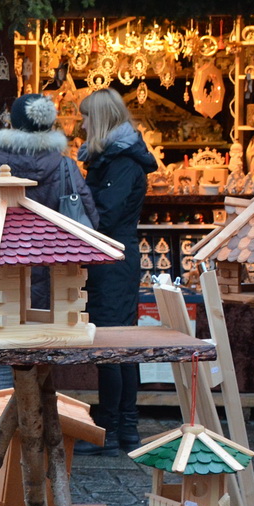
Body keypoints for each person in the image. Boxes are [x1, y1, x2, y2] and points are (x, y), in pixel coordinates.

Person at [0, 94, 99, 395]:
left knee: (2, 353)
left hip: (1, 271)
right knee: (44, 354)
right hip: (54, 273)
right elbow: (90, 217)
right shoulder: (65, 166)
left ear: (13, 122)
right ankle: (40, 420)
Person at [78, 88, 159, 453]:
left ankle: (112, 430)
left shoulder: (121, 162)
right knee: (120, 345)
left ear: (99, 120)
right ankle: (124, 428)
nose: (82, 126)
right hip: (115, 259)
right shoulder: (117, 158)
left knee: (111, 346)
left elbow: (106, 216)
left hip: (112, 260)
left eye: (85, 118)